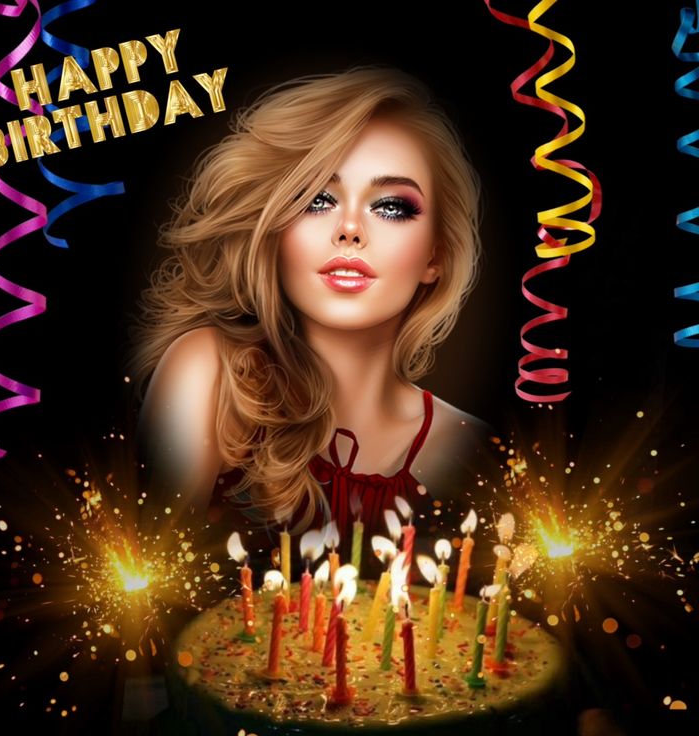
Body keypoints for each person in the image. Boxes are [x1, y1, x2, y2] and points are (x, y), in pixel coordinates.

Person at [129, 66, 494, 551]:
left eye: (390, 207)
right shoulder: (209, 376)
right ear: (275, 228)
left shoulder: (477, 451)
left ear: (436, 255)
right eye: (316, 199)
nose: (349, 229)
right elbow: (142, 597)